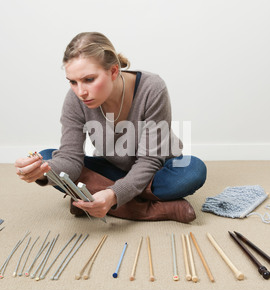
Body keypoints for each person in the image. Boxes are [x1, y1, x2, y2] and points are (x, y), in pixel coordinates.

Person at [15, 32, 206, 223]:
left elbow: (150, 160)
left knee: (193, 171)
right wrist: (41, 172)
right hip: (113, 170)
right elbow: (70, 158)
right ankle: (152, 210)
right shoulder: (75, 99)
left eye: (89, 79)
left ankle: (98, 200)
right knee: (48, 159)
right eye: (73, 82)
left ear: (114, 71)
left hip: (156, 171)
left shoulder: (152, 88)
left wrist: (113, 194)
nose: (80, 92)